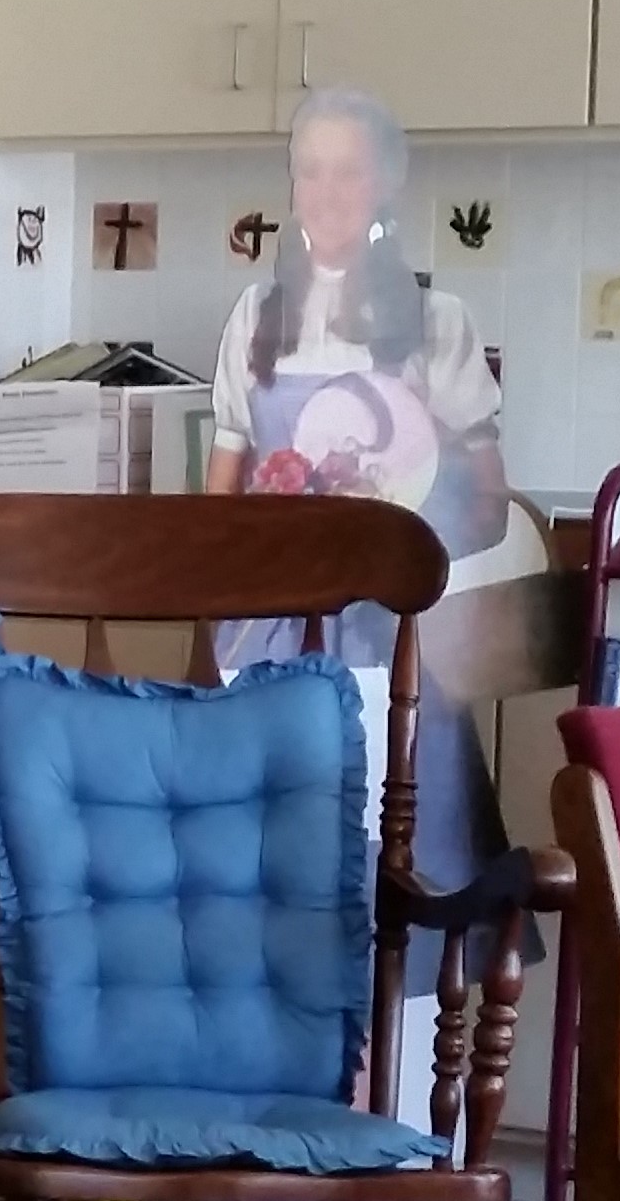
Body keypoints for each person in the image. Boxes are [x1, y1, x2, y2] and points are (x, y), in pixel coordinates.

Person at [202, 86, 525, 879]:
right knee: (273, 870)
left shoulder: (434, 321)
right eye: (309, 172)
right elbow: (210, 517)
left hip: (398, 642)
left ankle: (409, 1007)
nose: (325, 193)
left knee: (396, 865)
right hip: (264, 638)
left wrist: (395, 522)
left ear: (386, 181)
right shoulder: (254, 318)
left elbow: (488, 506)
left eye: (347, 172)